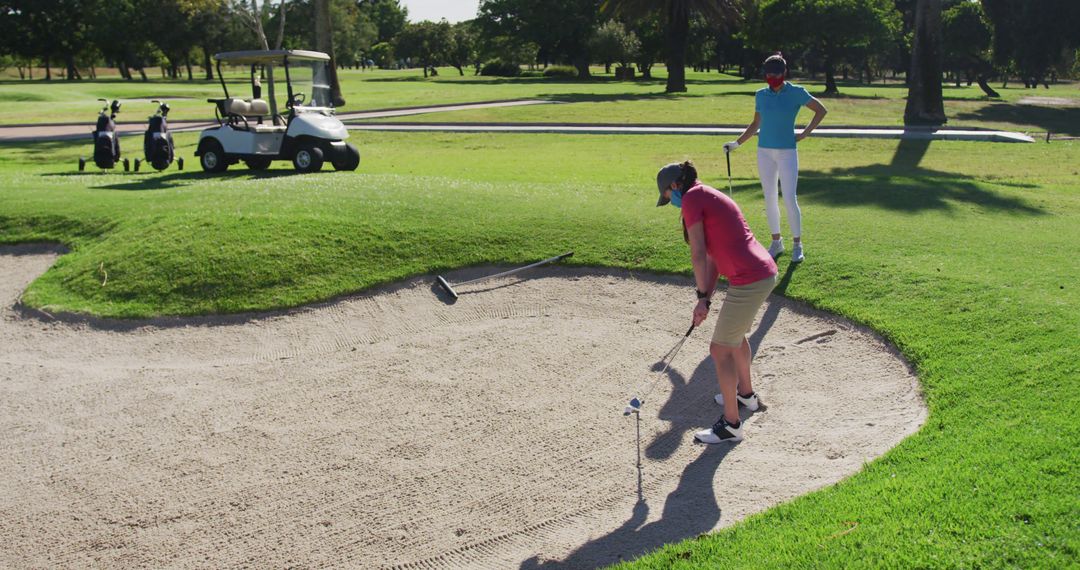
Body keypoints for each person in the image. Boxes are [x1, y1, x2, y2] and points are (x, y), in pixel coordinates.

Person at [656, 160, 779, 443]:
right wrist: (706, 299)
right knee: (735, 339)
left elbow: (697, 254)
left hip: (750, 278)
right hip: (759, 273)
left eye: (667, 196)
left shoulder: (691, 198)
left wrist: (700, 299)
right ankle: (746, 396)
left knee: (720, 349)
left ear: (675, 185)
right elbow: (712, 260)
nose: (671, 201)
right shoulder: (704, 195)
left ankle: (731, 425)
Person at [723, 53, 828, 263]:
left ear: (784, 73)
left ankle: (797, 244)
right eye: (769, 74)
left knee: (789, 199)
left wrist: (804, 134)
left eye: (776, 74)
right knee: (770, 198)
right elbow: (755, 124)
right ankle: (776, 242)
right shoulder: (761, 95)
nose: (772, 78)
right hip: (765, 152)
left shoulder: (796, 92)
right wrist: (736, 143)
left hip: (787, 151)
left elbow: (820, 110)